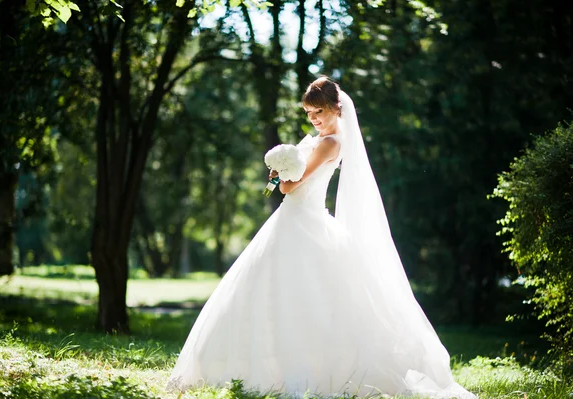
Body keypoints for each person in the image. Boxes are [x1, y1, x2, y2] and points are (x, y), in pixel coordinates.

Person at [167, 77, 476, 399]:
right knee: (275, 291)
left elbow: (293, 185)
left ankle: (304, 368)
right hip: (292, 219)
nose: (313, 118)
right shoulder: (317, 139)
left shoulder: (331, 143)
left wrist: (281, 176)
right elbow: (291, 179)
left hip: (305, 220)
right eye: (309, 112)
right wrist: (281, 172)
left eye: (319, 111)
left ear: (335, 109)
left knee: (307, 296)